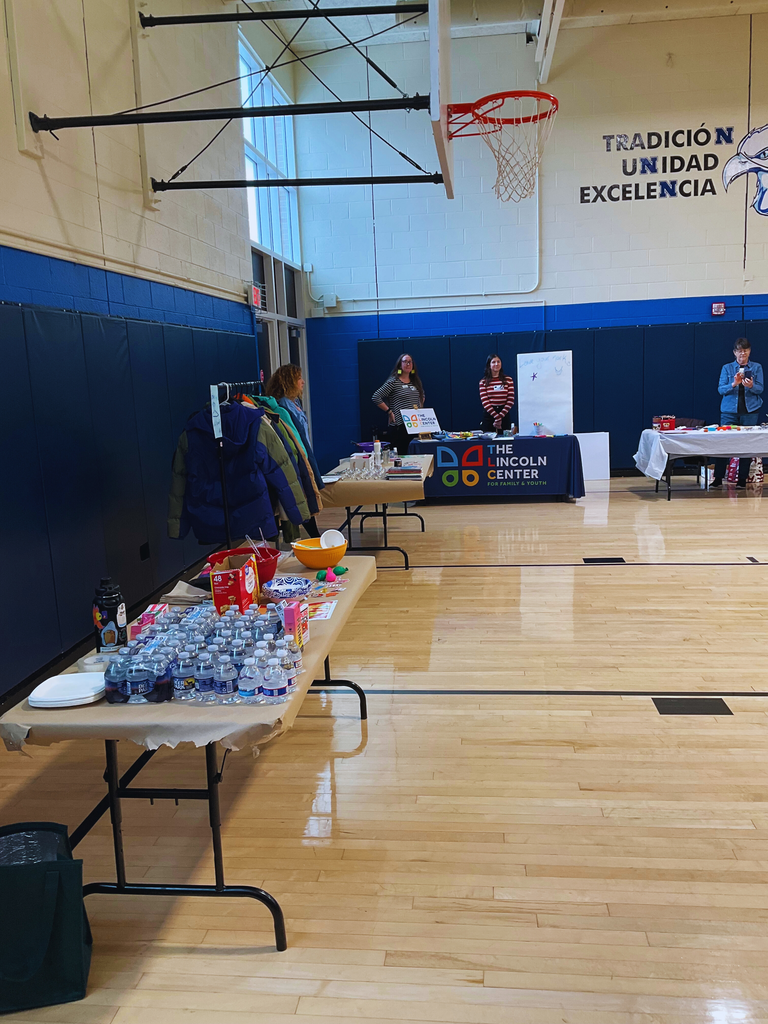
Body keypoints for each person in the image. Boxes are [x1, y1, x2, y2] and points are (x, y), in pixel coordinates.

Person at [712, 337, 764, 488]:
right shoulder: (727, 368)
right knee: (723, 444)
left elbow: (760, 389)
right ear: (734, 352)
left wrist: (751, 386)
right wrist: (734, 383)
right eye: (740, 351)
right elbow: (721, 389)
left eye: (745, 350)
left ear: (749, 351)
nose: (743, 354)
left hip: (750, 411)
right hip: (729, 411)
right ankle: (718, 477)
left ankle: (742, 479)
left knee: (746, 445)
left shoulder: (757, 367)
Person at [372, 353, 425, 454]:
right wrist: (389, 411)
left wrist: (419, 410)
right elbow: (376, 397)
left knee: (415, 456)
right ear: (400, 365)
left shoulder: (416, 381)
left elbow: (422, 396)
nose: (408, 364)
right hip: (399, 425)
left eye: (410, 362)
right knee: (401, 455)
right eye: (405, 361)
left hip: (414, 425)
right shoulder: (393, 382)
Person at [479, 354, 515, 434]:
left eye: (498, 362)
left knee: (505, 440)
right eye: (493, 362)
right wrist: (497, 417)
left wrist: (500, 417)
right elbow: (485, 402)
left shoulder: (508, 380)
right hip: (489, 414)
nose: (496, 364)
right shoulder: (483, 382)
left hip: (504, 414)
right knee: (488, 441)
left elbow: (511, 400)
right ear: (489, 365)